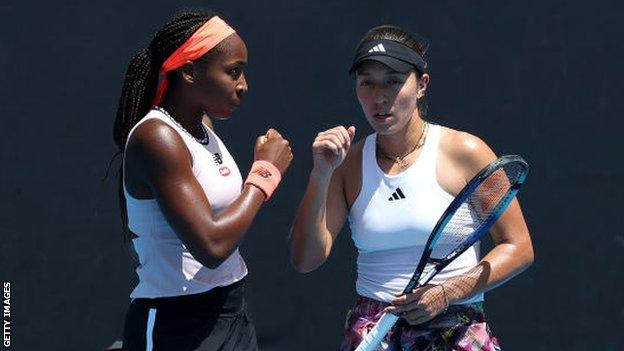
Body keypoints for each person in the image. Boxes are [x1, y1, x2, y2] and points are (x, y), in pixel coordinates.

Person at [290, 25, 533, 350]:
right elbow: (305, 260)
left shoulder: (467, 152)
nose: (380, 97)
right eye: (368, 83)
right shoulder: (347, 164)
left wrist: (448, 292)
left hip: (456, 327)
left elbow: (519, 247)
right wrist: (320, 174)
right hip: (374, 330)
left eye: (393, 81)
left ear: (421, 85)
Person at [113, 10, 292, 350]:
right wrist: (264, 174)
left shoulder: (203, 127)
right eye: (233, 71)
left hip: (231, 313)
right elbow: (211, 247)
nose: (243, 85)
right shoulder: (157, 137)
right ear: (190, 71)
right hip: (174, 324)